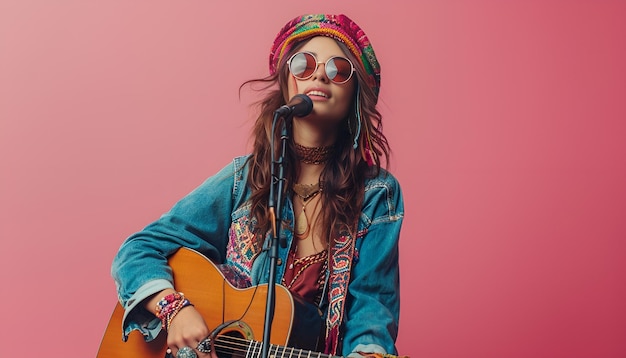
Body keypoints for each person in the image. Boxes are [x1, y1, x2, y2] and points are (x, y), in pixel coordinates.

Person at [111, 13, 405, 358]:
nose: (319, 75)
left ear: (355, 92)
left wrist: (369, 351)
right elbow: (137, 250)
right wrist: (174, 309)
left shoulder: (376, 194)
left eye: (338, 70)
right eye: (304, 64)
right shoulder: (243, 179)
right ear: (286, 83)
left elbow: (372, 308)